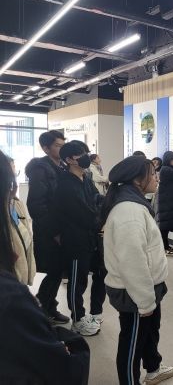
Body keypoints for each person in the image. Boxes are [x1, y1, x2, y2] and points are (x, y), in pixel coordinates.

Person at [0, 150, 90, 385]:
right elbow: (61, 369)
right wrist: (69, 344)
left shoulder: (16, 204)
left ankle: (49, 307)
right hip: (57, 239)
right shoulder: (10, 298)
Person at [101, 156, 173, 385]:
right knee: (132, 342)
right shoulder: (129, 211)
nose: (156, 178)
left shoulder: (135, 203)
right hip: (134, 291)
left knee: (149, 332)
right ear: (137, 180)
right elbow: (132, 262)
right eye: (152, 174)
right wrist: (144, 301)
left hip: (146, 286)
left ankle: (153, 368)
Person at [57, 141, 105, 336]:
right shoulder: (65, 183)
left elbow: (97, 200)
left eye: (87, 152)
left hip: (93, 237)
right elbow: (83, 213)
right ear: (69, 159)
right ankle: (78, 319)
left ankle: (95, 312)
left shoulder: (86, 178)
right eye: (81, 154)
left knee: (101, 273)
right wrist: (99, 220)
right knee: (78, 280)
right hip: (76, 239)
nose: (86, 157)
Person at [25, 130, 70, 324]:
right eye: (58, 146)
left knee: (57, 271)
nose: (62, 149)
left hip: (61, 228)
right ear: (46, 148)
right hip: (49, 232)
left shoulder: (62, 166)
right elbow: (36, 206)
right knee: (53, 271)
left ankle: (48, 307)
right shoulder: (40, 170)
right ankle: (42, 311)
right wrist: (54, 232)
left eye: (63, 145)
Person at [7, 156, 36, 285]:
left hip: (20, 270)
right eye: (10, 171)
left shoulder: (16, 203)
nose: (13, 177)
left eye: (15, 171)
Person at [155, 151, 173, 257]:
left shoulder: (167, 169)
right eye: (172, 160)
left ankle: (165, 246)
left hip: (169, 201)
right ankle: (164, 248)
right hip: (166, 201)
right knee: (164, 226)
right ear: (167, 160)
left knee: (166, 226)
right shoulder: (165, 169)